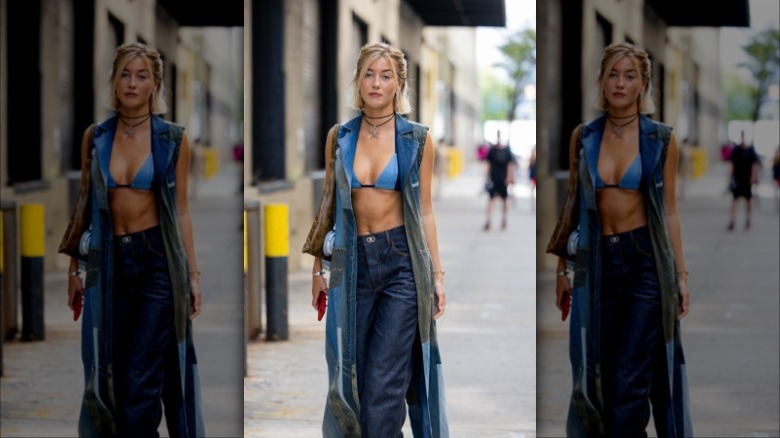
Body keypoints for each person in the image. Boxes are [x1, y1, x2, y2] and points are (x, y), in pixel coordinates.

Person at [59, 42, 204, 437]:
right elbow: (85, 205)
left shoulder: (173, 140)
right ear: (114, 80)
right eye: (125, 74)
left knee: (142, 380)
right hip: (108, 266)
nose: (132, 83)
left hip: (156, 265)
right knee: (110, 376)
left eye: (142, 76)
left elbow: (183, 210)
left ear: (156, 84)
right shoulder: (97, 137)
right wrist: (75, 268)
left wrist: (193, 274)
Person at [547, 42, 691, 436]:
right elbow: (573, 206)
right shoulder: (585, 137)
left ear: (644, 84)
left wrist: (680, 274)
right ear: (602, 80)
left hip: (644, 265)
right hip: (597, 266)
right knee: (597, 378)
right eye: (613, 74)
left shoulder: (661, 140)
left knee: (630, 382)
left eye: (630, 76)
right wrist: (564, 268)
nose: (620, 83)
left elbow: (671, 211)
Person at [310, 42, 448, 437]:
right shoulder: (340, 136)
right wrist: (318, 268)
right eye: (369, 73)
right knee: (349, 380)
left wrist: (437, 276)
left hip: (401, 265)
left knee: (384, 387)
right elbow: (329, 207)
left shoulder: (417, 139)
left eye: (385, 75)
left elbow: (424, 211)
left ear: (399, 83)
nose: (376, 82)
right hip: (350, 264)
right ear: (358, 80)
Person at [483, 130, 517, 230]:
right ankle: (488, 220)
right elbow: (488, 164)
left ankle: (504, 219)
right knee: (490, 199)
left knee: (505, 199)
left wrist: (510, 177)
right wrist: (486, 178)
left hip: (503, 178)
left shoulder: (507, 151)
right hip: (494, 178)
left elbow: (510, 165)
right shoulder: (492, 150)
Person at [727, 130, 760, 230]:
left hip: (747, 179)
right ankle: (732, 221)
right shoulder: (736, 150)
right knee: (734, 200)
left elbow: (755, 164)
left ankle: (748, 220)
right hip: (737, 179)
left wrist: (753, 177)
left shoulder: (751, 151)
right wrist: (730, 177)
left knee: (748, 200)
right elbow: (731, 164)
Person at [529, 146, 537, 212]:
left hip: (534, 177)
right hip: (534, 177)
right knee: (533, 193)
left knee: (533, 193)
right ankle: (534, 206)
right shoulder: (532, 159)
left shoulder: (532, 159)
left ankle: (534, 206)